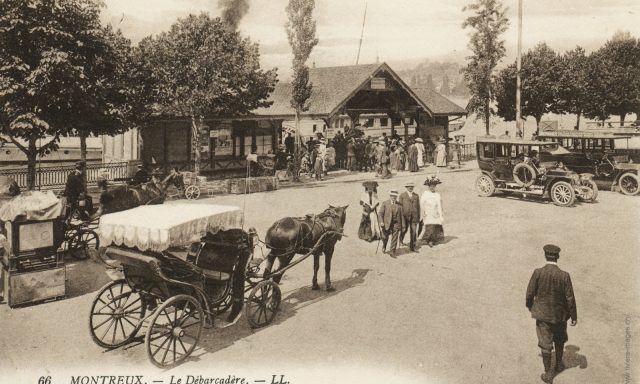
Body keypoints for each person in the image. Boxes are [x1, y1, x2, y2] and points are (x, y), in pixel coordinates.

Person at [526, 245, 577, 383]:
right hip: (560, 316)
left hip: (543, 316)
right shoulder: (564, 275)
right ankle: (559, 364)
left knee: (545, 344)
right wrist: (573, 316)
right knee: (559, 339)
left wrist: (530, 306)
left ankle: (548, 374)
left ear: (545, 256)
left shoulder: (538, 272)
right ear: (557, 257)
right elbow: (570, 298)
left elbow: (530, 293)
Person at [378, 189, 405, 257]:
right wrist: (381, 222)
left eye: (395, 196)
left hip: (396, 223)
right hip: (386, 223)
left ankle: (392, 251)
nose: (393, 197)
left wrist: (403, 225)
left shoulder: (400, 205)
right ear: (390, 196)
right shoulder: (385, 203)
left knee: (395, 237)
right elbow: (380, 213)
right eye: (392, 196)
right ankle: (384, 245)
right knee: (384, 237)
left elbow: (402, 216)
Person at [419, 175, 444, 247]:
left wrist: (440, 215)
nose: (432, 188)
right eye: (431, 186)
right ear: (429, 187)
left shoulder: (437, 195)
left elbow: (439, 205)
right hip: (428, 213)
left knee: (435, 226)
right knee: (429, 226)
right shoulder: (425, 194)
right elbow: (422, 203)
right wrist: (423, 212)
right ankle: (428, 240)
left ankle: (432, 240)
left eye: (434, 186)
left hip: (435, 213)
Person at [398, 182, 420, 252]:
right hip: (405, 216)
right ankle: (401, 239)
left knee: (413, 231)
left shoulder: (416, 196)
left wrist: (418, 216)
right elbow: (400, 207)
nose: (410, 188)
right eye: (409, 186)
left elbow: (418, 207)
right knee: (404, 230)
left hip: (414, 216)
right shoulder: (402, 195)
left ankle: (412, 247)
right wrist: (401, 217)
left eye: (412, 186)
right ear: (406, 187)